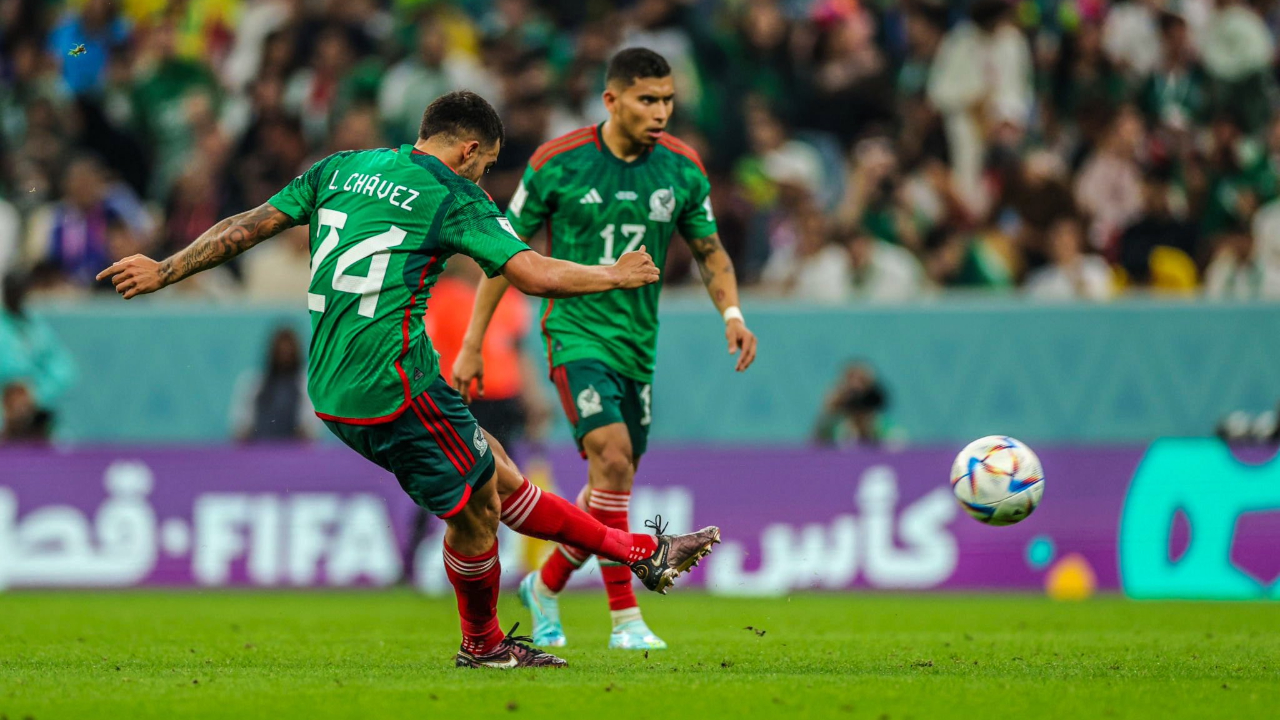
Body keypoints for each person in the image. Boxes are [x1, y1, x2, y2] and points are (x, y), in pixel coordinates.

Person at [97, 90, 720, 670]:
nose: (482, 177)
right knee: (479, 511)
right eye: (486, 164)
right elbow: (531, 274)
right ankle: (486, 644)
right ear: (469, 150)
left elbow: (249, 225)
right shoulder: (454, 195)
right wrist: (614, 274)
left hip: (337, 381)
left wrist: (165, 269)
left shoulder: (341, 168)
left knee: (498, 473)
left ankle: (642, 555)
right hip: (392, 384)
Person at [452, 48, 758, 651]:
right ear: (612, 100)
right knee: (613, 458)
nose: (662, 110)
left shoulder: (683, 169)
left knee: (606, 486)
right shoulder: (558, 163)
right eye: (648, 99)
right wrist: (472, 344)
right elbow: (499, 253)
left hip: (637, 345)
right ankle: (626, 617)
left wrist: (733, 313)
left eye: (668, 99)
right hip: (574, 332)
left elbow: (710, 250)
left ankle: (545, 585)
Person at [229, 326, 319, 442]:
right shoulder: (252, 383)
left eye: (288, 353)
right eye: (280, 352)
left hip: (295, 453)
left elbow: (310, 430)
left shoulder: (306, 386)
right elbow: (240, 427)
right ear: (272, 353)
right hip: (258, 451)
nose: (284, 357)